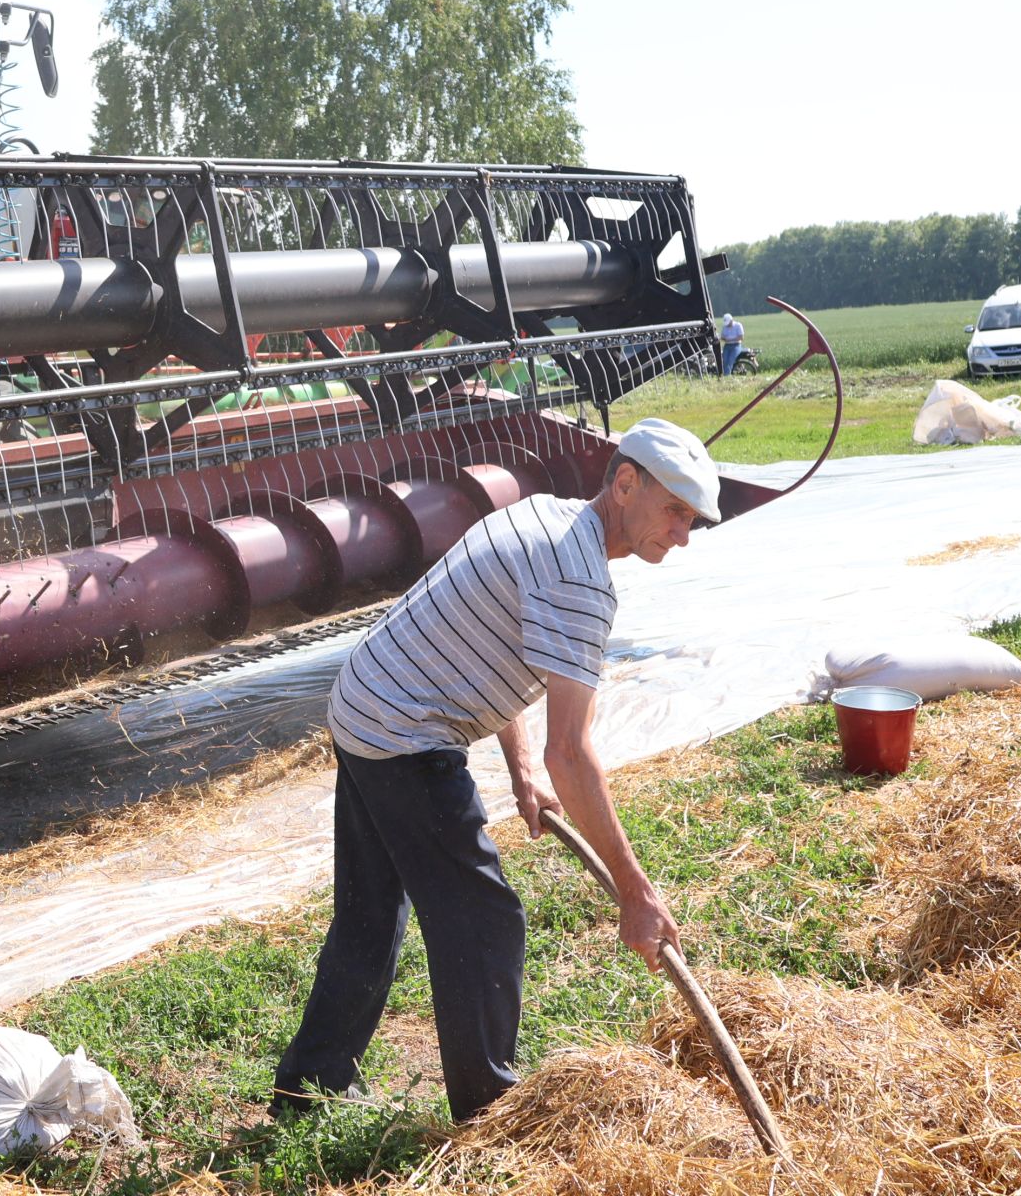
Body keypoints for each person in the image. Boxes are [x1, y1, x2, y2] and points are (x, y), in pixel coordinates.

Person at [272, 418, 719, 1124]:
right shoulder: (581, 584)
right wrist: (635, 890)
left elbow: (497, 641)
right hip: (403, 734)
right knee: (484, 922)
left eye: (692, 521)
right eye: (674, 511)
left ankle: (309, 1084)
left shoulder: (545, 514)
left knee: (369, 914)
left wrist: (518, 773)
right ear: (625, 483)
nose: (683, 534)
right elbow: (570, 754)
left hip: (362, 704)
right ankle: (487, 1114)